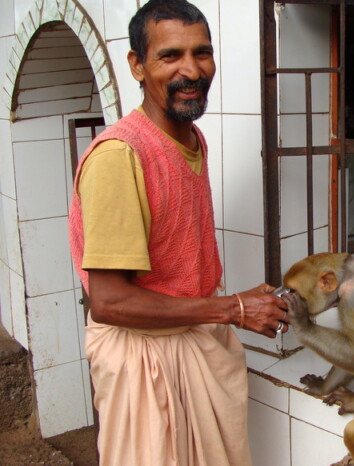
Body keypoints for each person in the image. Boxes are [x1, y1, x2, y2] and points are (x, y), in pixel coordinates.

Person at [68, 0, 289, 464]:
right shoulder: (118, 158)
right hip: (143, 363)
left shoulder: (191, 136)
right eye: (170, 56)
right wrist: (233, 308)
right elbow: (110, 302)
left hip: (194, 344)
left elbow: (174, 269)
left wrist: (232, 301)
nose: (192, 70)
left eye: (202, 53)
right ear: (137, 66)